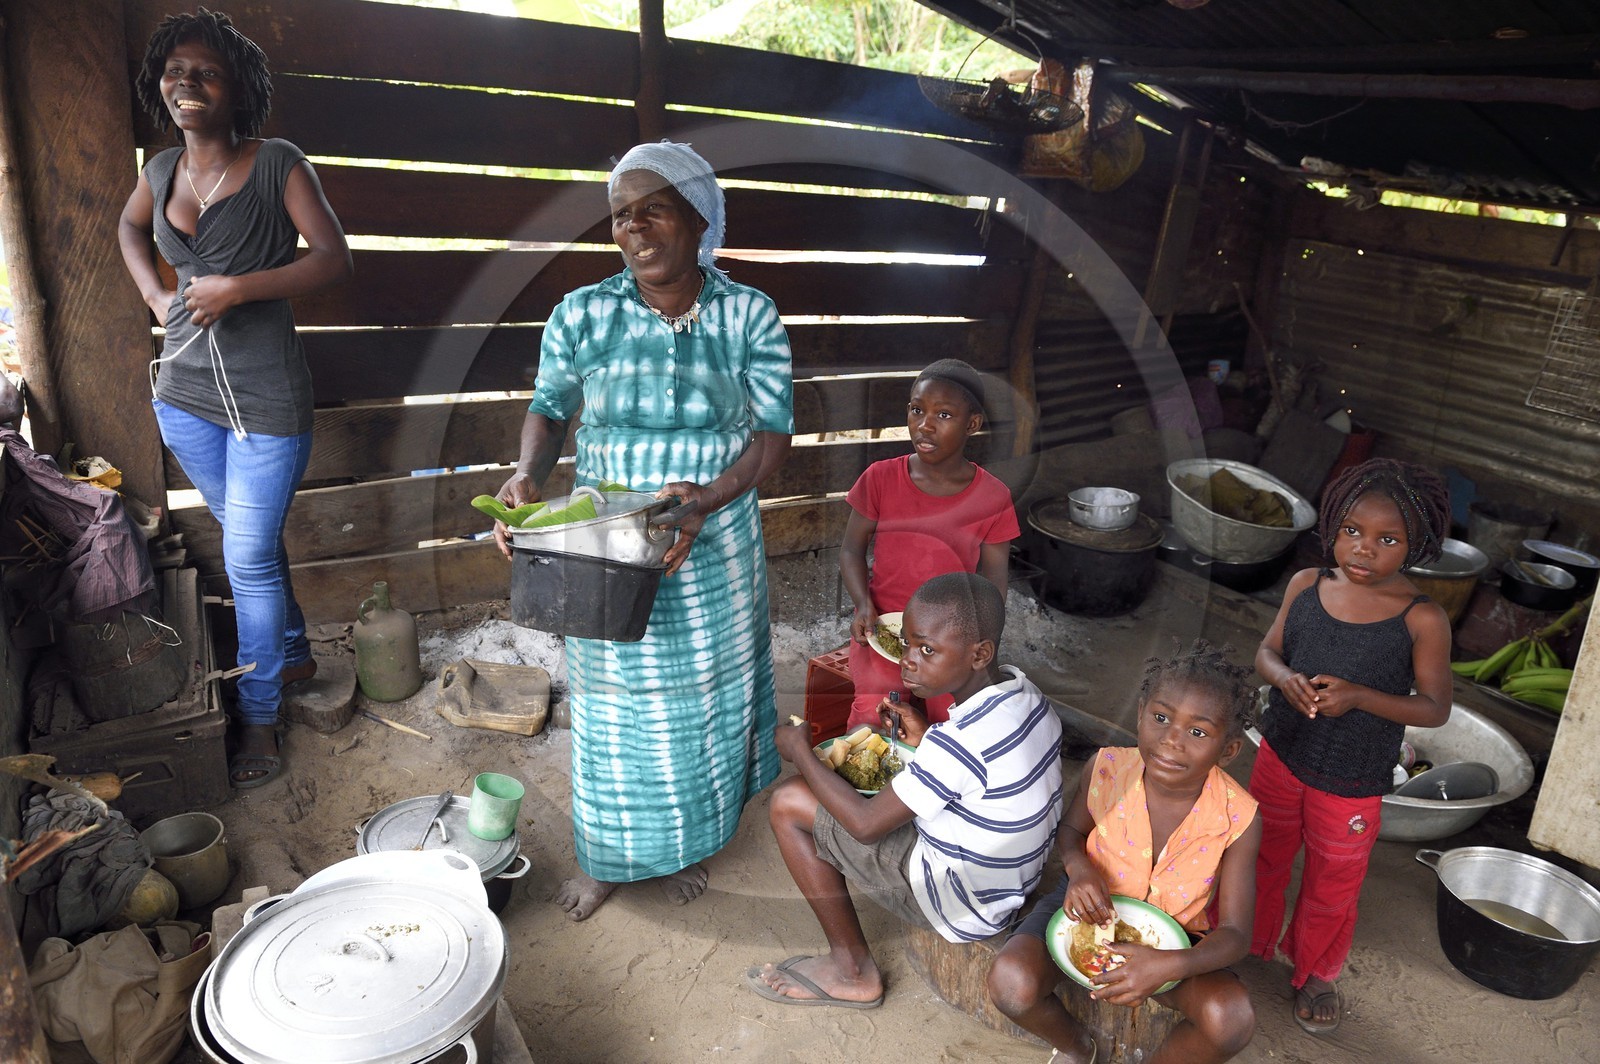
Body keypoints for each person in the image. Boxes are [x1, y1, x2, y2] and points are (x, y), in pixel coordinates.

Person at [491, 141, 793, 920]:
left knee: (702, 702)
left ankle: (686, 844)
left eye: (653, 209)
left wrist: (710, 497)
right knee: (613, 705)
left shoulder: (749, 315)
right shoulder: (583, 313)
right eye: (621, 214)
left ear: (699, 218)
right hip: (611, 543)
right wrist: (527, 477)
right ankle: (609, 858)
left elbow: (771, 438)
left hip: (714, 538)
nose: (634, 227)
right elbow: (550, 410)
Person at [117, 9, 352, 789]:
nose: (187, 83)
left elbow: (334, 259)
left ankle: (258, 715)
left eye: (206, 72)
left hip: (266, 402)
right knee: (251, 546)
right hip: (182, 397)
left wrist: (240, 288)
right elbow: (128, 230)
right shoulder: (159, 171)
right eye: (175, 71)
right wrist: (157, 295)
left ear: (237, 88)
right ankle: (293, 653)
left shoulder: (278, 163)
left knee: (247, 555)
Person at [749, 572, 1063, 1008]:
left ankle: (852, 971)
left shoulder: (958, 744)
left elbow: (865, 827)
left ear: (980, 654)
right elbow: (978, 771)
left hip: (964, 904)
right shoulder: (1028, 697)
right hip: (1009, 882)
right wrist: (926, 739)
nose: (907, 661)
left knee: (789, 802)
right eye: (907, 643)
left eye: (927, 650)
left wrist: (801, 753)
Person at [1250, 457, 1452, 1034]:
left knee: (1332, 881)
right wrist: (1284, 677)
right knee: (1259, 852)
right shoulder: (1306, 585)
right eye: (1352, 531)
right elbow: (1266, 652)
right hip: (1282, 752)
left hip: (1353, 777)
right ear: (1333, 527)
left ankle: (1316, 971)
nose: (1364, 549)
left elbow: (1435, 708)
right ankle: (1243, 938)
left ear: (1415, 545)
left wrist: (1361, 696)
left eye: (1388, 539)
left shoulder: (1422, 618)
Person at [988, 641, 1263, 1064]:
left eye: (1197, 732)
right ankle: (1081, 1049)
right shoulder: (1107, 769)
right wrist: (1079, 868)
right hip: (1083, 910)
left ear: (1228, 751)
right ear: (1140, 714)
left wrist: (1172, 965)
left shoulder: (1238, 817)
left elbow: (1236, 934)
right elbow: (1071, 831)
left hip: (1175, 941)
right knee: (1010, 982)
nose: (1171, 740)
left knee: (1231, 1019)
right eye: (1161, 718)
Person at [838, 358, 1018, 730]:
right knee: (873, 718)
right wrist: (863, 605)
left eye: (944, 415)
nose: (925, 425)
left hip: (952, 638)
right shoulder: (881, 478)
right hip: (884, 629)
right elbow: (851, 550)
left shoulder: (993, 497)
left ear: (972, 424)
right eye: (917, 410)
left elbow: (995, 581)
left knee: (956, 723)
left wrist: (982, 644)